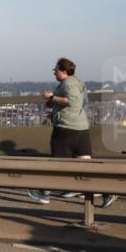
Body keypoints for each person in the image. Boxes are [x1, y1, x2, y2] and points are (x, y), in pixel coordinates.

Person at [28, 58, 116, 208]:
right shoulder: (78, 83)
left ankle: (44, 193)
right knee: (85, 165)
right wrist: (57, 112)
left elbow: (73, 101)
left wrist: (51, 97)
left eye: (55, 69)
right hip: (81, 128)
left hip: (66, 129)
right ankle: (107, 191)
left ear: (63, 70)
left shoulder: (68, 83)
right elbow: (83, 103)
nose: (54, 72)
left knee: (57, 163)